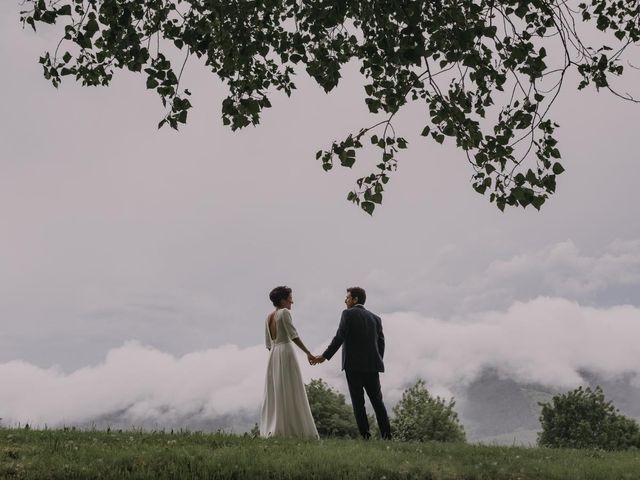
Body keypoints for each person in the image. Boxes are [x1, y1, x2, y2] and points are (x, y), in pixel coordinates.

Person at [313, 287, 391, 439]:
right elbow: (381, 344)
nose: (345, 300)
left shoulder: (347, 314)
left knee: (358, 402)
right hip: (372, 366)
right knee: (378, 402)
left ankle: (366, 437)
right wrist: (377, 359)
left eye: (347, 298)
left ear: (355, 299)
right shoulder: (376, 318)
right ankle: (387, 436)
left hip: (353, 366)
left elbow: (339, 337)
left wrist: (324, 356)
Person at [259, 286, 319, 439]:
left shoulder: (268, 318)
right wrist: (308, 353)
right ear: (282, 300)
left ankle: (277, 428)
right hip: (286, 352)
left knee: (277, 392)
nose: (292, 301)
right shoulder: (284, 313)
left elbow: (268, 344)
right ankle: (294, 430)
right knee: (292, 389)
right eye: (290, 298)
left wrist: (276, 354)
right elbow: (293, 336)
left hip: (273, 355)